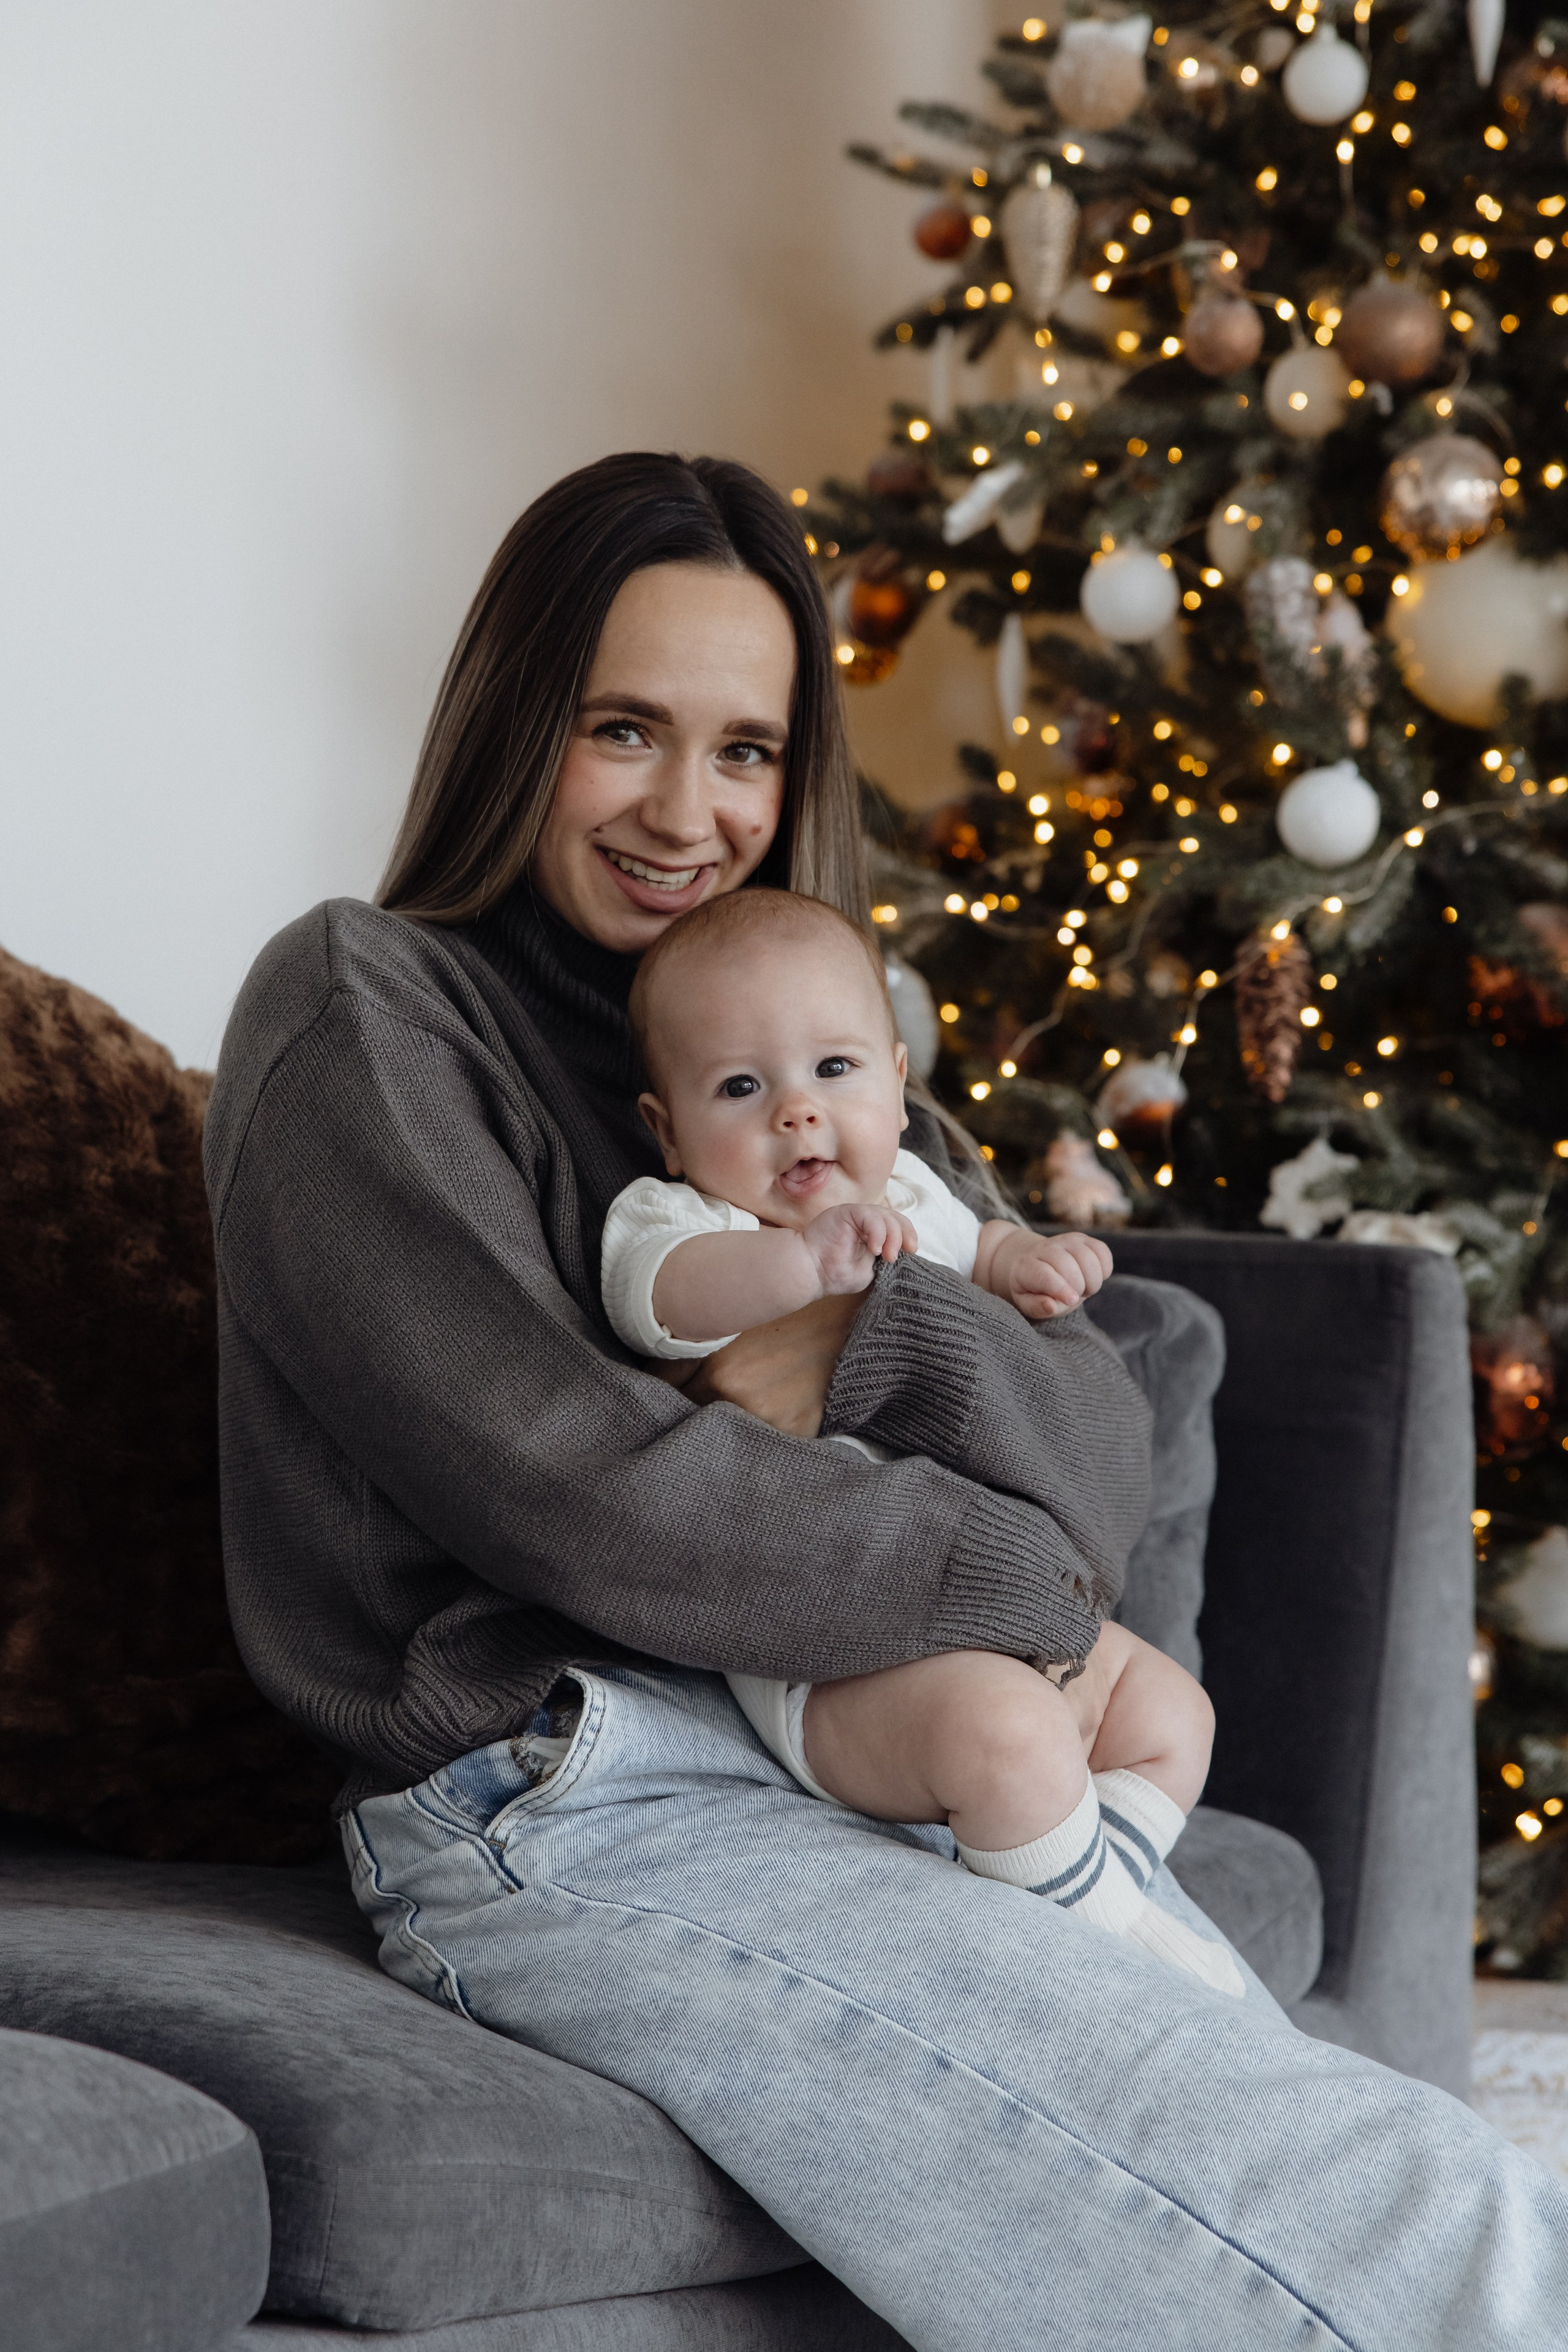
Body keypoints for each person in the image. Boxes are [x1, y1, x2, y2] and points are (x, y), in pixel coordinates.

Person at [206, 451, 1568, 2351]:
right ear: (517, 720)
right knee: (1390, 2221)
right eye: (622, 729)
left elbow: (1104, 1449)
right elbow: (595, 1498)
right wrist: (1017, 1575)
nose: (687, 812)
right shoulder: (367, 1010)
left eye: (747, 752)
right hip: (584, 1787)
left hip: (915, 1733)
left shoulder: (820, 1037)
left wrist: (859, 1350)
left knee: (1334, 2152)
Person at [602, 884, 1239, 1996]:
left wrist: (1029, 1265)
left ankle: (1099, 1886)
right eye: (742, 1088)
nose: (798, 1114)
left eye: (834, 1070)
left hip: (1000, 1602)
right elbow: (658, 1301)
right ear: (668, 1129)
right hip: (839, 1657)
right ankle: (1104, 1948)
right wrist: (801, 1265)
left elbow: (983, 1252)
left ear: (899, 1085)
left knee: (1173, 1711)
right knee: (1007, 1737)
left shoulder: (914, 1193)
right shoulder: (686, 1220)